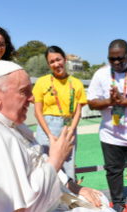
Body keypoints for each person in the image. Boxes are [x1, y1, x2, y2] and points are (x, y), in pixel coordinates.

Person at [0, 60, 114, 212]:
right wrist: (56, 160)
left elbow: (36, 160)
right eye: (25, 91)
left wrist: (74, 186)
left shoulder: (8, 122)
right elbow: (14, 208)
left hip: (52, 199)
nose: (32, 98)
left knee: (101, 201)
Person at [87, 39, 127, 212]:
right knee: (113, 172)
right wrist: (109, 101)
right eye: (111, 59)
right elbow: (91, 103)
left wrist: (123, 101)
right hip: (110, 135)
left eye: (120, 59)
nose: (115, 63)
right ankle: (118, 203)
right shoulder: (101, 74)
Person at [33, 46, 87, 181]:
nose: (56, 64)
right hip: (47, 127)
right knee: (45, 164)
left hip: (68, 126)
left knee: (68, 164)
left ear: (65, 60)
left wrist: (71, 131)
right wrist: (50, 135)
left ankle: (69, 198)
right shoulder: (42, 82)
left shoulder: (76, 83)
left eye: (58, 59)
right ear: (48, 64)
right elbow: (37, 112)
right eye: (52, 62)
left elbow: (78, 111)